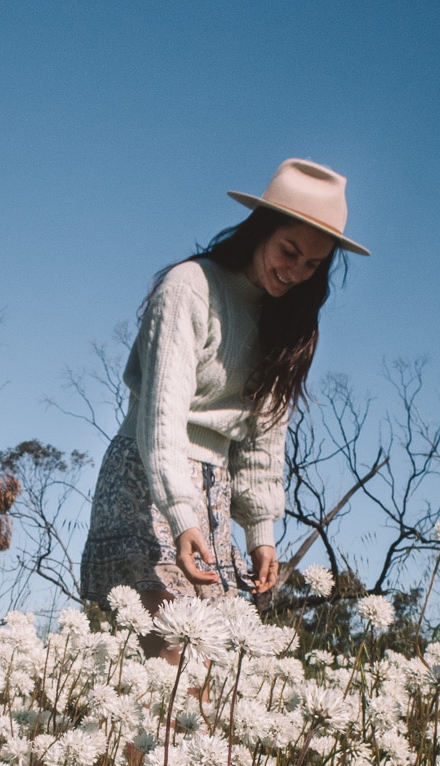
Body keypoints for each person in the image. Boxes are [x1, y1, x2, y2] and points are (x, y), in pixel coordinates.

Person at [81, 158, 369, 655]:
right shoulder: (189, 287)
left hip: (213, 497)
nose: (296, 271)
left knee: (202, 685)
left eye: (313, 265)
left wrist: (261, 532)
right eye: (289, 251)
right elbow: (161, 416)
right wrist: (181, 514)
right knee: (167, 667)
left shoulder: (288, 325)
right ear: (261, 229)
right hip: (147, 481)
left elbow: (263, 439)